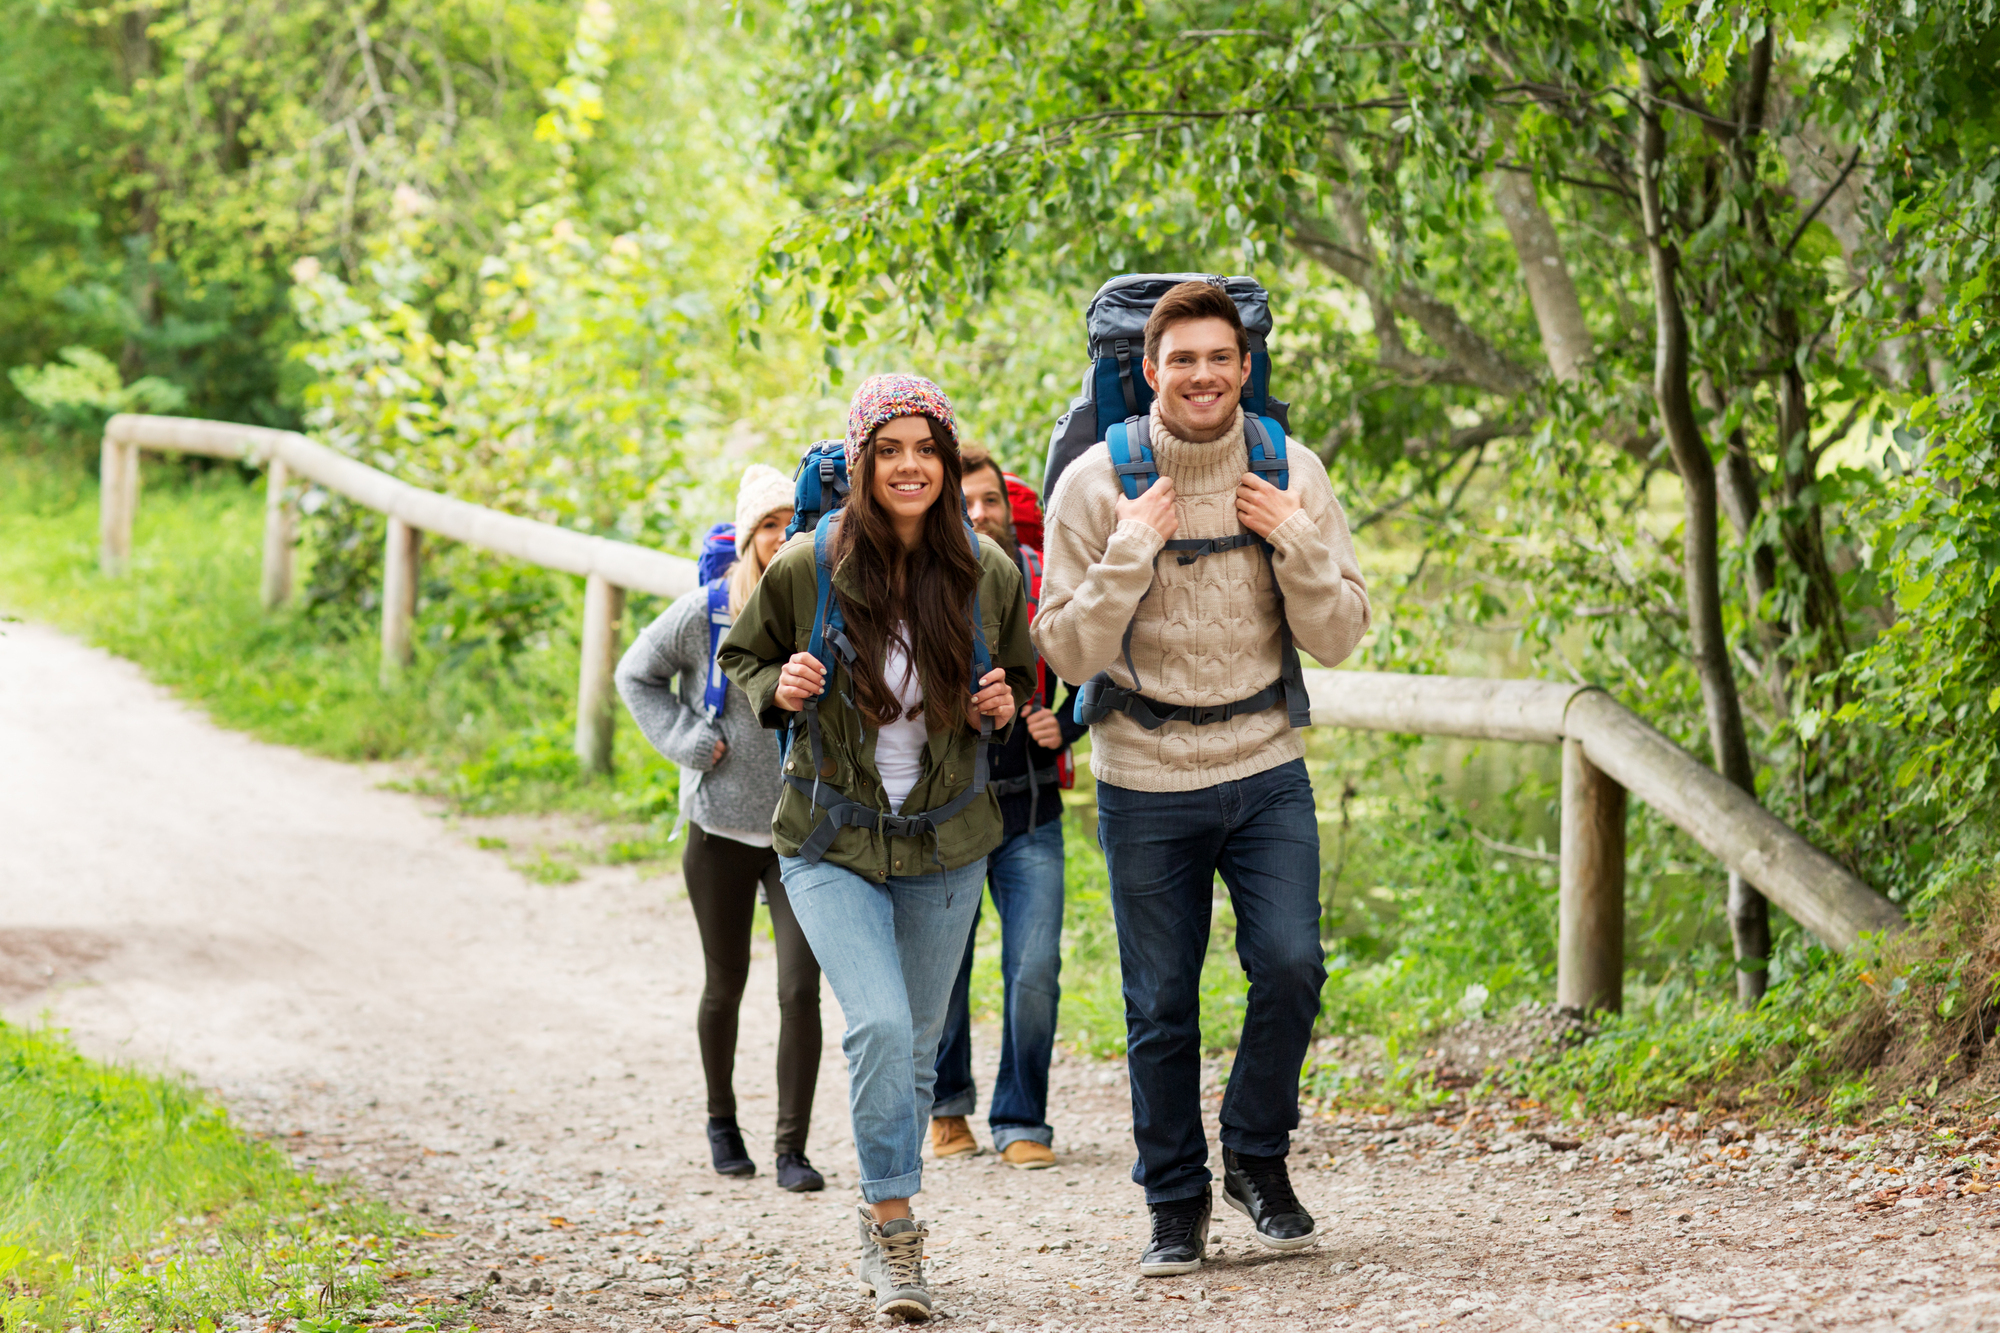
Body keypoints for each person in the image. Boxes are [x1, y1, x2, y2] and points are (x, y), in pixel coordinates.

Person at [1033, 281, 1372, 1276]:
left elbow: (1340, 634)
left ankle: (1256, 1160)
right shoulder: (1094, 486)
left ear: (1243, 366)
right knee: (1159, 1002)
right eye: (1180, 359)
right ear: (1146, 370)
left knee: (1291, 964)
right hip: (1142, 775)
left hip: (1264, 765)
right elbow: (1062, 647)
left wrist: (1297, 544)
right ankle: (1174, 1201)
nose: (1202, 375)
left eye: (1219, 357)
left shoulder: (1289, 469)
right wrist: (1130, 550)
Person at [719, 374, 1033, 1321]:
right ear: (861, 464)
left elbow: (1019, 675)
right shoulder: (810, 564)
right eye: (888, 450)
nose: (909, 466)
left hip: (949, 840)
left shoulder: (988, 570)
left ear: (945, 460)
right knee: (881, 1026)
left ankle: (880, 1197)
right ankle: (895, 1230)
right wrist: (785, 685)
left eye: (925, 449)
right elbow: (743, 658)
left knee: (918, 1046)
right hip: (830, 839)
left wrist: (1005, 702)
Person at [614, 464, 827, 1193]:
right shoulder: (704, 612)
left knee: (801, 989)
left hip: (802, 833)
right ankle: (721, 1120)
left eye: (790, 523)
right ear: (745, 538)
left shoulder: (822, 604)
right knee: (725, 984)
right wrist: (688, 742)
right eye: (766, 525)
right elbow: (635, 674)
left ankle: (792, 1146)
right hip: (720, 828)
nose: (780, 537)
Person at [929, 447, 1085, 1170]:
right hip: (946, 815)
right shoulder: (918, 583)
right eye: (964, 504)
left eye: (989, 500)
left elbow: (1110, 654)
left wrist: (1071, 718)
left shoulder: (1046, 579)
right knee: (945, 967)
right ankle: (947, 1107)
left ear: (1007, 505)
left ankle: (1023, 1117)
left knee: (1033, 966)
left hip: (1030, 809)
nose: (979, 514)